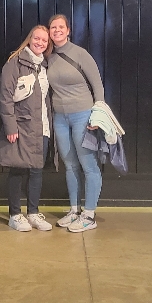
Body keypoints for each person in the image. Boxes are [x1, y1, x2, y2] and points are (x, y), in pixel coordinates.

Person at [48, 13, 105, 233]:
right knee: (70, 164)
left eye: (60, 27)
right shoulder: (49, 56)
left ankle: (89, 216)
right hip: (60, 118)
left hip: (83, 115)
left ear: (68, 30)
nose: (57, 30)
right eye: (53, 27)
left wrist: (97, 116)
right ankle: (74, 211)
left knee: (88, 164)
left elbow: (97, 85)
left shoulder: (80, 53)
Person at [0, 24, 54, 232]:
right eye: (37, 38)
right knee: (18, 169)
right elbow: (5, 97)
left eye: (44, 40)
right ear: (29, 39)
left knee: (37, 170)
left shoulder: (45, 65)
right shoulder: (15, 62)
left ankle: (33, 213)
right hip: (21, 127)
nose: (40, 43)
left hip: (42, 128)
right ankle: (15, 215)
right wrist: (10, 126)